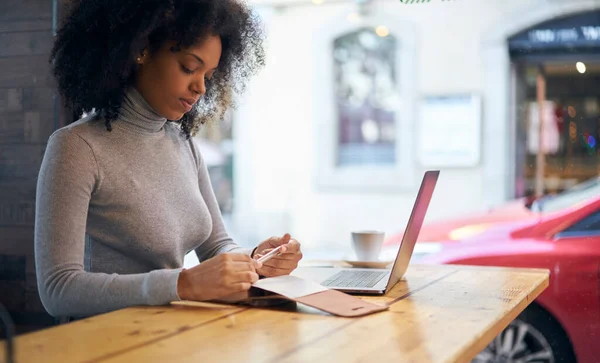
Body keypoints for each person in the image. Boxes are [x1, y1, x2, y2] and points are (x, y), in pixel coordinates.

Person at [34, 0, 302, 319]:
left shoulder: (183, 143)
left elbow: (217, 247)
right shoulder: (75, 147)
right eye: (190, 67)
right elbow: (58, 290)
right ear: (142, 49)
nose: (200, 87)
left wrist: (255, 260)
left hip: (172, 333)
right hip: (106, 341)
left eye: (209, 74)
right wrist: (182, 284)